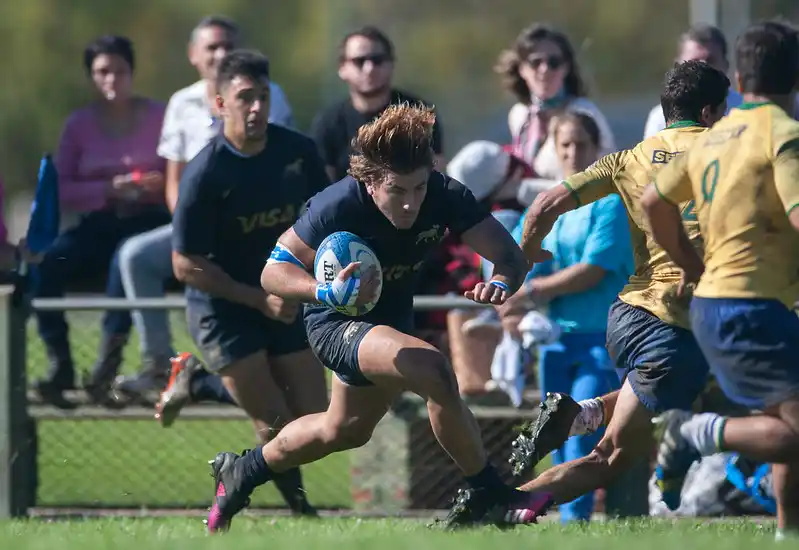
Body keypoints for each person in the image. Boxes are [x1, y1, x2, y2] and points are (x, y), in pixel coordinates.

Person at [203, 102, 554, 533]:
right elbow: (271, 273)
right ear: (369, 183)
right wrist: (322, 290)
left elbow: (509, 257)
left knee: (345, 429)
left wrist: (500, 283)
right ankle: (489, 492)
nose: (410, 204)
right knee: (434, 370)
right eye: (397, 191)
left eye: (419, 189)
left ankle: (243, 471)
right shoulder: (336, 205)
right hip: (336, 319)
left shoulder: (444, 194)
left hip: (391, 320)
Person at [445, 60, 729, 524]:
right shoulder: (725, 153)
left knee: (690, 387)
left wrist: (529, 253)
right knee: (611, 457)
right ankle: (495, 505)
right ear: (712, 111)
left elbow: (543, 203)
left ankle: (584, 414)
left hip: (630, 316)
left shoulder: (631, 158)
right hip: (675, 318)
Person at [641, 20, 799, 542]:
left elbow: (653, 202)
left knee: (787, 419)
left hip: (719, 303)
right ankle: (696, 433)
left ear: (735, 77)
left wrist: (691, 265)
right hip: (750, 307)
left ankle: (787, 530)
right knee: (792, 431)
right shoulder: (784, 134)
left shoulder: (714, 137)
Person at [171, 49, 329, 517]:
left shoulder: (298, 154)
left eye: (262, 96)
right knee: (276, 422)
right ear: (220, 105)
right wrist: (257, 298)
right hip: (224, 306)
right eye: (245, 98)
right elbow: (183, 264)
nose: (256, 107)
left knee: (315, 422)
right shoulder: (205, 173)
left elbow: (324, 224)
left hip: (282, 298)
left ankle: (198, 383)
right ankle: (302, 512)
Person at [112, 15, 295, 399]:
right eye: (211, 47)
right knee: (134, 256)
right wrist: (190, 226)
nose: (220, 53)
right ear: (194, 55)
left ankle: (206, 382)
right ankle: (158, 365)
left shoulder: (268, 94)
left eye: (228, 45)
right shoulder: (181, 103)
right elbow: (174, 178)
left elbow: (269, 164)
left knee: (291, 395)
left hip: (254, 224)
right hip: (199, 225)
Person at [495, 113, 633, 522]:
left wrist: (533, 292)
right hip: (553, 340)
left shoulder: (610, 201)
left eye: (582, 145)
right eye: (565, 145)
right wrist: (508, 306)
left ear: (597, 148)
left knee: (580, 427)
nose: (573, 154)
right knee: (553, 435)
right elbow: (515, 255)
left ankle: (576, 522)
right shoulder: (550, 204)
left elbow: (593, 269)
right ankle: (565, 520)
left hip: (599, 338)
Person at [32, 35, 171, 407]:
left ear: (132, 73)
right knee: (48, 264)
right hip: (100, 220)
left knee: (125, 261)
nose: (112, 80)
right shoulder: (79, 125)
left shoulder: (160, 117)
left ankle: (106, 368)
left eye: (119, 71)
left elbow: (178, 173)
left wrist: (153, 187)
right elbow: (61, 189)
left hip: (148, 220)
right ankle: (60, 362)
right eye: (102, 72)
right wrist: (108, 189)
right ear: (91, 77)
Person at [494, 23, 615, 206]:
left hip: (579, 208)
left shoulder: (585, 113)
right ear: (522, 69)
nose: (545, 69)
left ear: (565, 68)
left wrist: (522, 189)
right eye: (536, 62)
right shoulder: (519, 115)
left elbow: (605, 181)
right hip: (528, 210)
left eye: (554, 62)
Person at [310, 26, 445, 182]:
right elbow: (322, 188)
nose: (369, 68)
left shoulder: (419, 115)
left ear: (391, 64)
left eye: (377, 60)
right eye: (359, 61)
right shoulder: (328, 123)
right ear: (342, 68)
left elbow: (437, 178)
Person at [643, 24, 743, 138]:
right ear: (677, 66)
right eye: (694, 61)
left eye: (710, 60)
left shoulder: (743, 110)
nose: (703, 67)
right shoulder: (660, 118)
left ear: (726, 64)